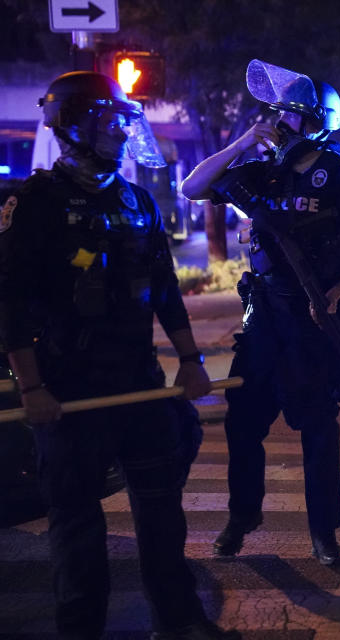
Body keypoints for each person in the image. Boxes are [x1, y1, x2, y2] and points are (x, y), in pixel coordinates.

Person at [0, 71, 238, 639]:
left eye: (122, 119)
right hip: (67, 393)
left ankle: (178, 621)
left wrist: (190, 360)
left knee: (161, 512)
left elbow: (164, 288)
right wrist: (32, 389)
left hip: (139, 383)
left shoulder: (136, 200)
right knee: (77, 525)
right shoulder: (37, 205)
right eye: (110, 118)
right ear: (74, 124)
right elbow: (8, 304)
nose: (120, 130)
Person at [180, 60, 340, 565]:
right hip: (264, 322)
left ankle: (324, 535)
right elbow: (192, 187)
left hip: (317, 322)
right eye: (277, 114)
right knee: (243, 424)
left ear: (318, 121)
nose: (279, 123)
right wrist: (242, 144)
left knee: (317, 429)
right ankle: (242, 515)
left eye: (290, 116)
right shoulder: (258, 172)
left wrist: (338, 291)